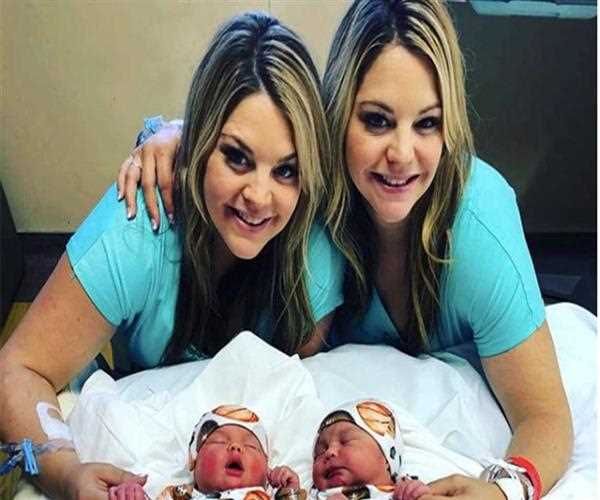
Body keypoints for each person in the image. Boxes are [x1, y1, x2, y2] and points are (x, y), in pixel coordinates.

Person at [118, 1, 573, 498]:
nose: (401, 154)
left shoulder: (478, 220)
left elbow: (544, 416)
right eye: (377, 120)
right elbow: (254, 118)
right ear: (336, 116)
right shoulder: (309, 191)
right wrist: (174, 137)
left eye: (427, 123)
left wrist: (506, 489)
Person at [0, 11, 345, 500]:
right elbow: (18, 369)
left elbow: (300, 387)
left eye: (286, 170)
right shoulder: (140, 226)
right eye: (237, 157)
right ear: (198, 145)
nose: (259, 196)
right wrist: (67, 473)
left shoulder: (314, 252)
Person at [109, 405, 300, 500]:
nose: (236, 447)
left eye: (251, 446)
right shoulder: (178, 495)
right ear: (195, 459)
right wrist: (133, 495)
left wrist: (289, 490)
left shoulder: (267, 496)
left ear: (267, 469)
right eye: (219, 441)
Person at [311, 400, 429, 500]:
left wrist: (418, 493)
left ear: (386, 459)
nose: (329, 452)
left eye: (345, 442)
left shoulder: (403, 492)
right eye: (320, 452)